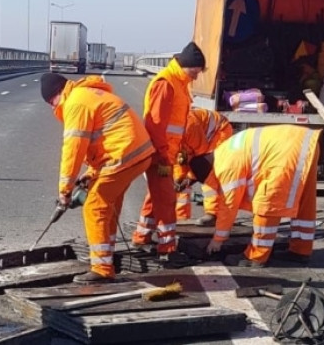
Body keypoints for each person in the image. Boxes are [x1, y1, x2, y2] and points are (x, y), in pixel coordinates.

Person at [40, 72, 155, 283]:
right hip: (136, 153)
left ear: (57, 94)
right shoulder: (87, 94)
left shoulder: (76, 103)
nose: (52, 107)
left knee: (94, 206)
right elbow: (103, 141)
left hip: (124, 155)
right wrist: (90, 174)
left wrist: (65, 191)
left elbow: (73, 150)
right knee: (109, 204)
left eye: (51, 102)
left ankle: (102, 269)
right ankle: (107, 255)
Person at [189, 124, 323, 267]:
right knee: (303, 201)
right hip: (306, 143)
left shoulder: (226, 167)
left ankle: (256, 256)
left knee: (266, 204)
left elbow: (229, 206)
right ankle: (300, 250)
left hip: (286, 153)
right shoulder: (223, 152)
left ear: (209, 173)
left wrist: (218, 239)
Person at [131, 41, 206, 262]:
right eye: (195, 71)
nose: (197, 77)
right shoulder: (166, 83)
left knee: (156, 197)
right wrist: (163, 157)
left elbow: (176, 124)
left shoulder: (179, 83)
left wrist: (179, 150)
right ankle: (167, 249)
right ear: (186, 65)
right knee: (166, 200)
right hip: (159, 154)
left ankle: (141, 237)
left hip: (167, 153)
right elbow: (155, 124)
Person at [174, 108, 233, 225]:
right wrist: (179, 179)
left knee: (208, 173)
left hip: (220, 132)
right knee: (180, 181)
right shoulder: (171, 132)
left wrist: (190, 178)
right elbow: (179, 160)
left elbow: (201, 159)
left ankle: (212, 213)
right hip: (196, 142)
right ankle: (181, 217)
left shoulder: (189, 125)